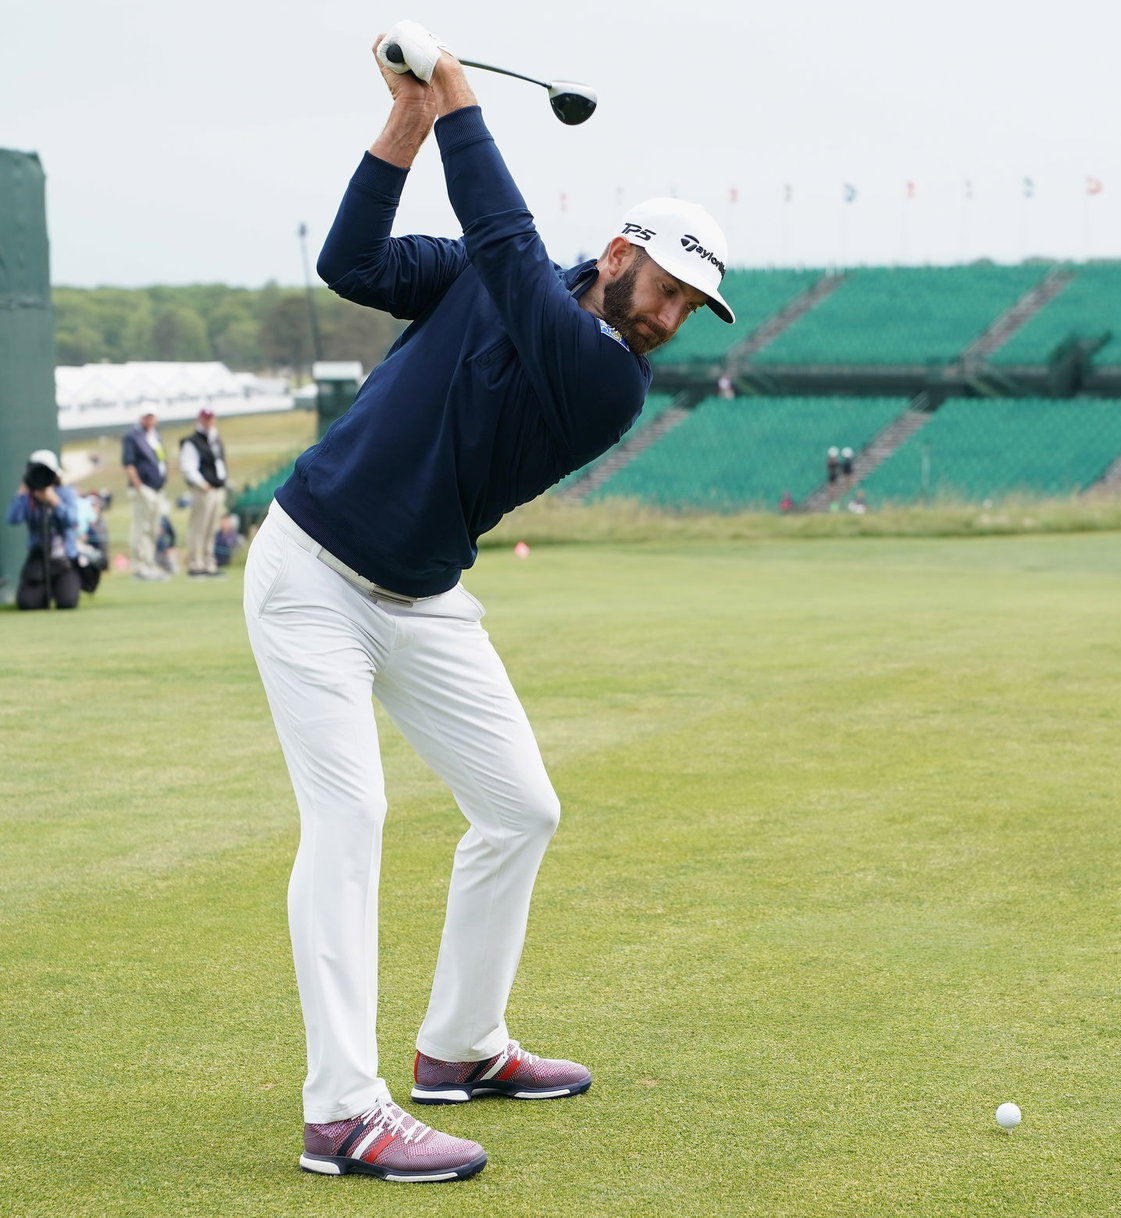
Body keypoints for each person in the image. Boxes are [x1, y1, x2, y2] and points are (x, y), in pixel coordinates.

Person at [244, 25, 734, 1186]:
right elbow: (352, 265)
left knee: (521, 809)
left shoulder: (609, 377)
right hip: (311, 572)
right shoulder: (491, 280)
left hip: (418, 601)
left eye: (689, 308)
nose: (669, 317)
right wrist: (408, 123)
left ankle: (458, 1049)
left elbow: (509, 249)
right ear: (619, 254)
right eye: (666, 288)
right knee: (350, 820)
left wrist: (458, 94)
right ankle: (341, 1113)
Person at [7, 450, 83, 610]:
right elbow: (12, 518)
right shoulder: (29, 497)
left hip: (63, 560)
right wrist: (22, 492)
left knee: (67, 602)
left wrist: (54, 502)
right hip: (38, 559)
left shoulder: (64, 493)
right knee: (28, 604)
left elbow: (72, 521)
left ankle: (63, 587)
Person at [179, 408, 230, 578]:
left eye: (211, 418)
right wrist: (202, 483)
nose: (208, 422)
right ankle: (195, 563)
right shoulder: (192, 441)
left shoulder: (215, 439)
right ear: (200, 420)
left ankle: (209, 563)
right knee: (198, 527)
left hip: (217, 488)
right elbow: (188, 467)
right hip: (203, 490)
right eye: (205, 419)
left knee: (211, 528)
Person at [121, 410, 169, 581]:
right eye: (146, 416)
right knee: (141, 529)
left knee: (152, 529)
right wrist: (139, 486)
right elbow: (129, 463)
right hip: (143, 489)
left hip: (157, 489)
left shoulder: (155, 436)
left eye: (152, 416)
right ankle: (139, 566)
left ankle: (149, 563)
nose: (150, 419)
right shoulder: (132, 437)